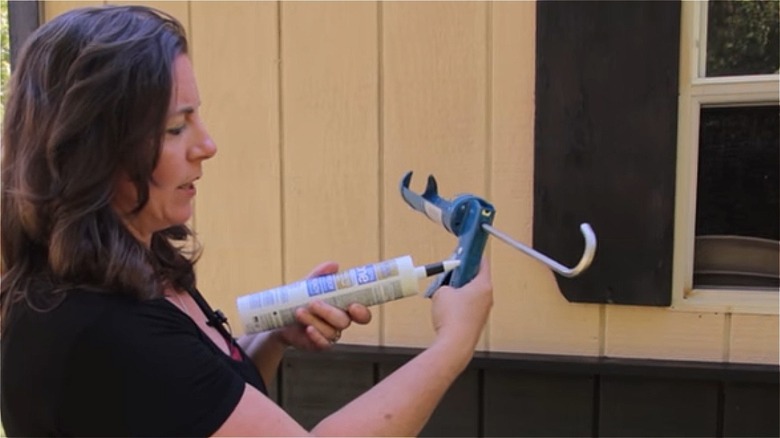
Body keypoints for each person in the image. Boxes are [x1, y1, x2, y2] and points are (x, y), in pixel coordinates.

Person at [0, 5, 493, 437]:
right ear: (92, 151)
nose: (207, 145)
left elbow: (190, 409)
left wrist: (273, 334)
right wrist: (453, 344)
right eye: (176, 127)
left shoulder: (139, 263)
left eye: (197, 117)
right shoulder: (101, 327)